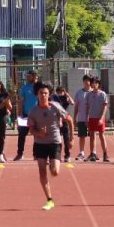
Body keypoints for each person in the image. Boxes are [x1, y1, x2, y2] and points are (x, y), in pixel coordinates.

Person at [28, 82, 69, 210]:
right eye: (41, 93)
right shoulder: (33, 112)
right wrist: (38, 133)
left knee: (55, 172)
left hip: (54, 142)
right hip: (40, 144)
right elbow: (31, 130)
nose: (43, 95)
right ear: (37, 95)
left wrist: (71, 138)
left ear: (49, 94)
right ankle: (49, 199)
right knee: (41, 170)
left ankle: (53, 164)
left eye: (45, 93)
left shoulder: (55, 107)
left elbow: (70, 119)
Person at [13, 69, 40, 161]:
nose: (27, 78)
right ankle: (20, 153)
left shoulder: (40, 87)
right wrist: (20, 114)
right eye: (27, 76)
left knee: (37, 135)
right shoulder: (24, 88)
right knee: (22, 134)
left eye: (30, 76)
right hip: (25, 115)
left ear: (35, 76)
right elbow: (21, 101)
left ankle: (36, 154)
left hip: (37, 115)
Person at [84, 76, 111, 162]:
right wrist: (86, 118)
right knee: (91, 135)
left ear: (98, 84)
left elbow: (105, 107)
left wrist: (101, 117)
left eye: (96, 83)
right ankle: (93, 153)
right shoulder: (89, 95)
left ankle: (105, 154)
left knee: (101, 135)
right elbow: (87, 107)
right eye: (93, 83)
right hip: (91, 117)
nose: (94, 84)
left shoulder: (102, 94)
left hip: (99, 118)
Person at [52, 85, 75, 162]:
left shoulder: (66, 98)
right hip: (57, 121)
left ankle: (67, 155)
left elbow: (72, 103)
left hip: (65, 120)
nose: (61, 93)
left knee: (66, 139)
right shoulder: (55, 98)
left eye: (62, 92)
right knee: (57, 139)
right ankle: (57, 155)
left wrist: (67, 95)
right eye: (59, 92)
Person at [73, 74, 93, 160]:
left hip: (92, 118)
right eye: (85, 80)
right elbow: (76, 106)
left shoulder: (94, 92)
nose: (86, 82)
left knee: (92, 136)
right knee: (82, 136)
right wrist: (74, 118)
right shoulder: (79, 93)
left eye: (88, 80)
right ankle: (81, 152)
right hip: (81, 118)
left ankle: (93, 153)